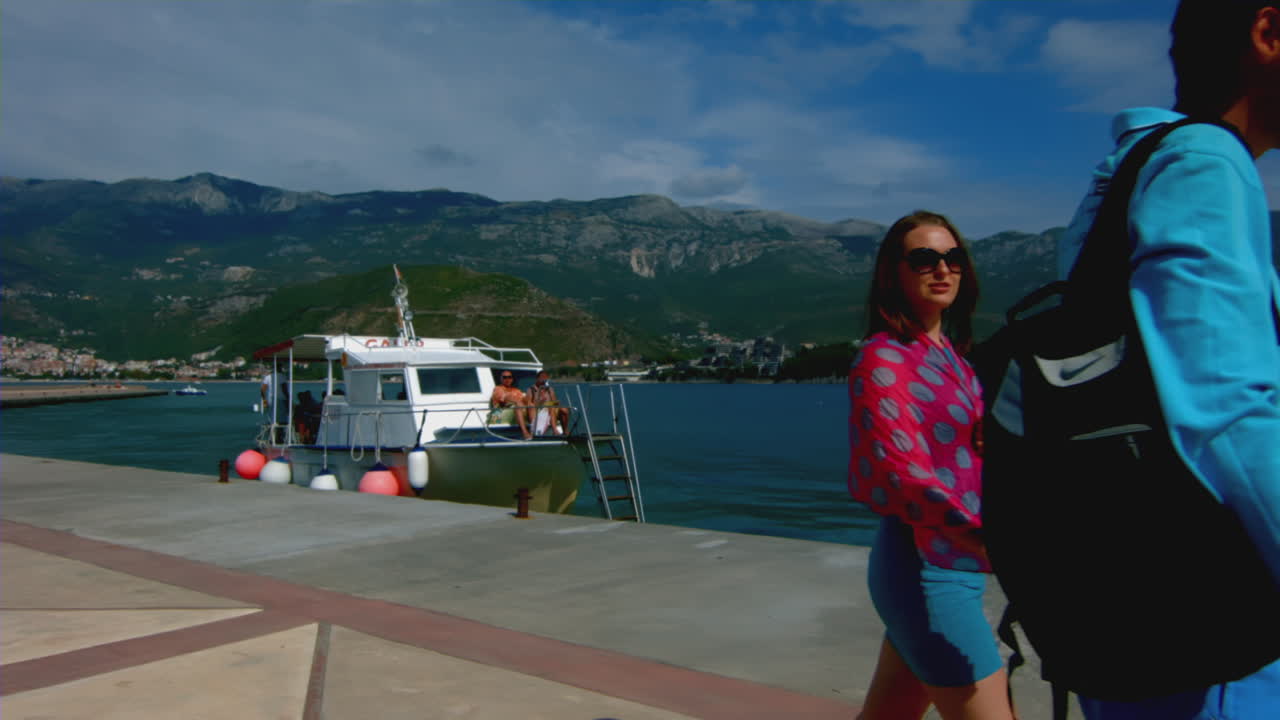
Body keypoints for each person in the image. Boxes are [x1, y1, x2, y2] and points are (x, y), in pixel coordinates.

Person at [1051, 2, 1280, 717]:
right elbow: (1228, 416)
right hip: (1212, 638)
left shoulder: (1122, 174)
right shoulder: (1205, 161)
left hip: (1125, 611)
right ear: (1268, 33)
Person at [849, 211, 1013, 720]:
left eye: (953, 258)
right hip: (925, 568)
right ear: (893, 272)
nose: (942, 269)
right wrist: (1001, 543)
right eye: (923, 258)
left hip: (954, 568)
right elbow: (904, 474)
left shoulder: (956, 359)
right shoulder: (883, 359)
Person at [489, 370, 532, 440]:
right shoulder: (498, 389)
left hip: (514, 408)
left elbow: (523, 399)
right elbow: (505, 399)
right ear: (501, 379)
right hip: (499, 412)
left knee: (531, 404)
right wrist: (517, 401)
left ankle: (534, 429)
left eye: (509, 377)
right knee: (518, 405)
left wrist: (530, 399)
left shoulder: (516, 390)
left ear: (512, 379)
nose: (507, 379)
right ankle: (525, 432)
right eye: (505, 377)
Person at [526, 370, 569, 435]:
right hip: (537, 409)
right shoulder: (531, 390)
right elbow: (529, 404)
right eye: (542, 377)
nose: (544, 379)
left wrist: (547, 403)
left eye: (545, 377)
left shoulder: (549, 389)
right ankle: (554, 430)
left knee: (564, 410)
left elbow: (555, 402)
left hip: (549, 407)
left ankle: (565, 430)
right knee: (550, 407)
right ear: (537, 378)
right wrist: (540, 402)